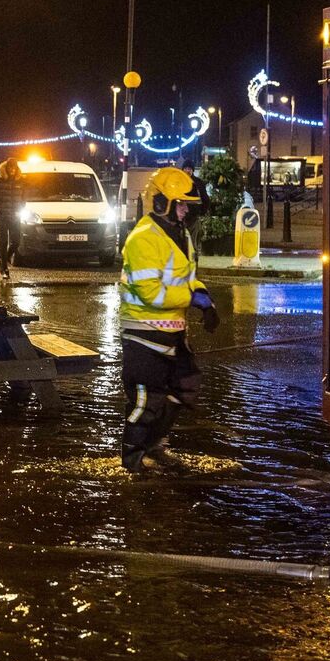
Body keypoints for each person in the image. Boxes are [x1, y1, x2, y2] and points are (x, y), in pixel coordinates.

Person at [118, 167, 220, 473]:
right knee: (146, 402)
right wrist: (192, 299)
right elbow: (152, 293)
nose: (186, 209)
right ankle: (132, 461)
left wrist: (205, 301)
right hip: (143, 334)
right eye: (181, 203)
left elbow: (188, 278)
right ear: (161, 202)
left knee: (185, 387)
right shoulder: (143, 239)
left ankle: (155, 445)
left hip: (173, 332)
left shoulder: (181, 234)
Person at [0, 158, 26, 279]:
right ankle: (4, 268)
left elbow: (23, 198)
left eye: (14, 168)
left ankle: (6, 258)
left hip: (15, 216)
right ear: (7, 169)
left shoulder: (21, 182)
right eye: (10, 168)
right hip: (2, 217)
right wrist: (0, 209)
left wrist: (21, 206)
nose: (13, 170)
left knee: (16, 241)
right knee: (3, 243)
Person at [181, 159, 211, 256]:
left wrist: (202, 212)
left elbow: (205, 199)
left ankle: (192, 260)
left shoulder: (198, 183)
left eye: (189, 168)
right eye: (186, 168)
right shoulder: (178, 183)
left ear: (193, 170)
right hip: (181, 218)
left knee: (193, 243)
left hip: (194, 217)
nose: (188, 170)